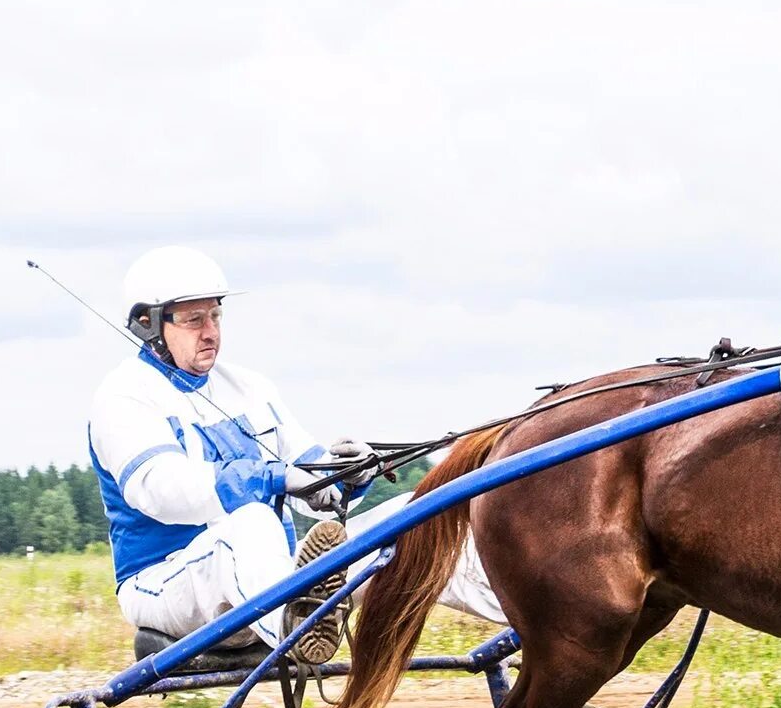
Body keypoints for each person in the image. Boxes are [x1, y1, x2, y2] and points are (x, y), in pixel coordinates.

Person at [88, 245, 504, 665]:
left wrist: (346, 474)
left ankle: (543, 614)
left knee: (417, 517)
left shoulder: (250, 388)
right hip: (165, 585)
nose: (211, 331)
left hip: (277, 578)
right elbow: (164, 492)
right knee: (252, 522)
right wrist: (275, 477)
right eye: (194, 320)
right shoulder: (123, 398)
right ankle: (298, 628)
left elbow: (311, 475)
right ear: (148, 325)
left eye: (215, 316)